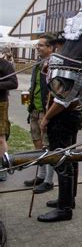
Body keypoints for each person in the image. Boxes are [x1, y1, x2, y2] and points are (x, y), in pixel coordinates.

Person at [36, 70, 82, 222]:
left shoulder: (64, 66)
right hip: (70, 116)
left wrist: (46, 118)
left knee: (62, 162)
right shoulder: (68, 65)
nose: (38, 48)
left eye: (43, 45)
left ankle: (64, 209)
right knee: (69, 159)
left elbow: (63, 99)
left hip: (63, 118)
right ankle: (68, 200)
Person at [23, 33, 55, 192]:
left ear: (50, 48)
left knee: (47, 146)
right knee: (37, 143)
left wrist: (49, 114)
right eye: (38, 45)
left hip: (46, 109)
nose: (38, 47)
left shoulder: (54, 64)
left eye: (41, 45)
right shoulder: (37, 63)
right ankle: (41, 175)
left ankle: (49, 181)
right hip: (34, 109)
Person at [0, 47, 18, 181]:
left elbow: (13, 83)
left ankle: (3, 167)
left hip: (0, 104)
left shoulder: (5, 65)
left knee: (0, 138)